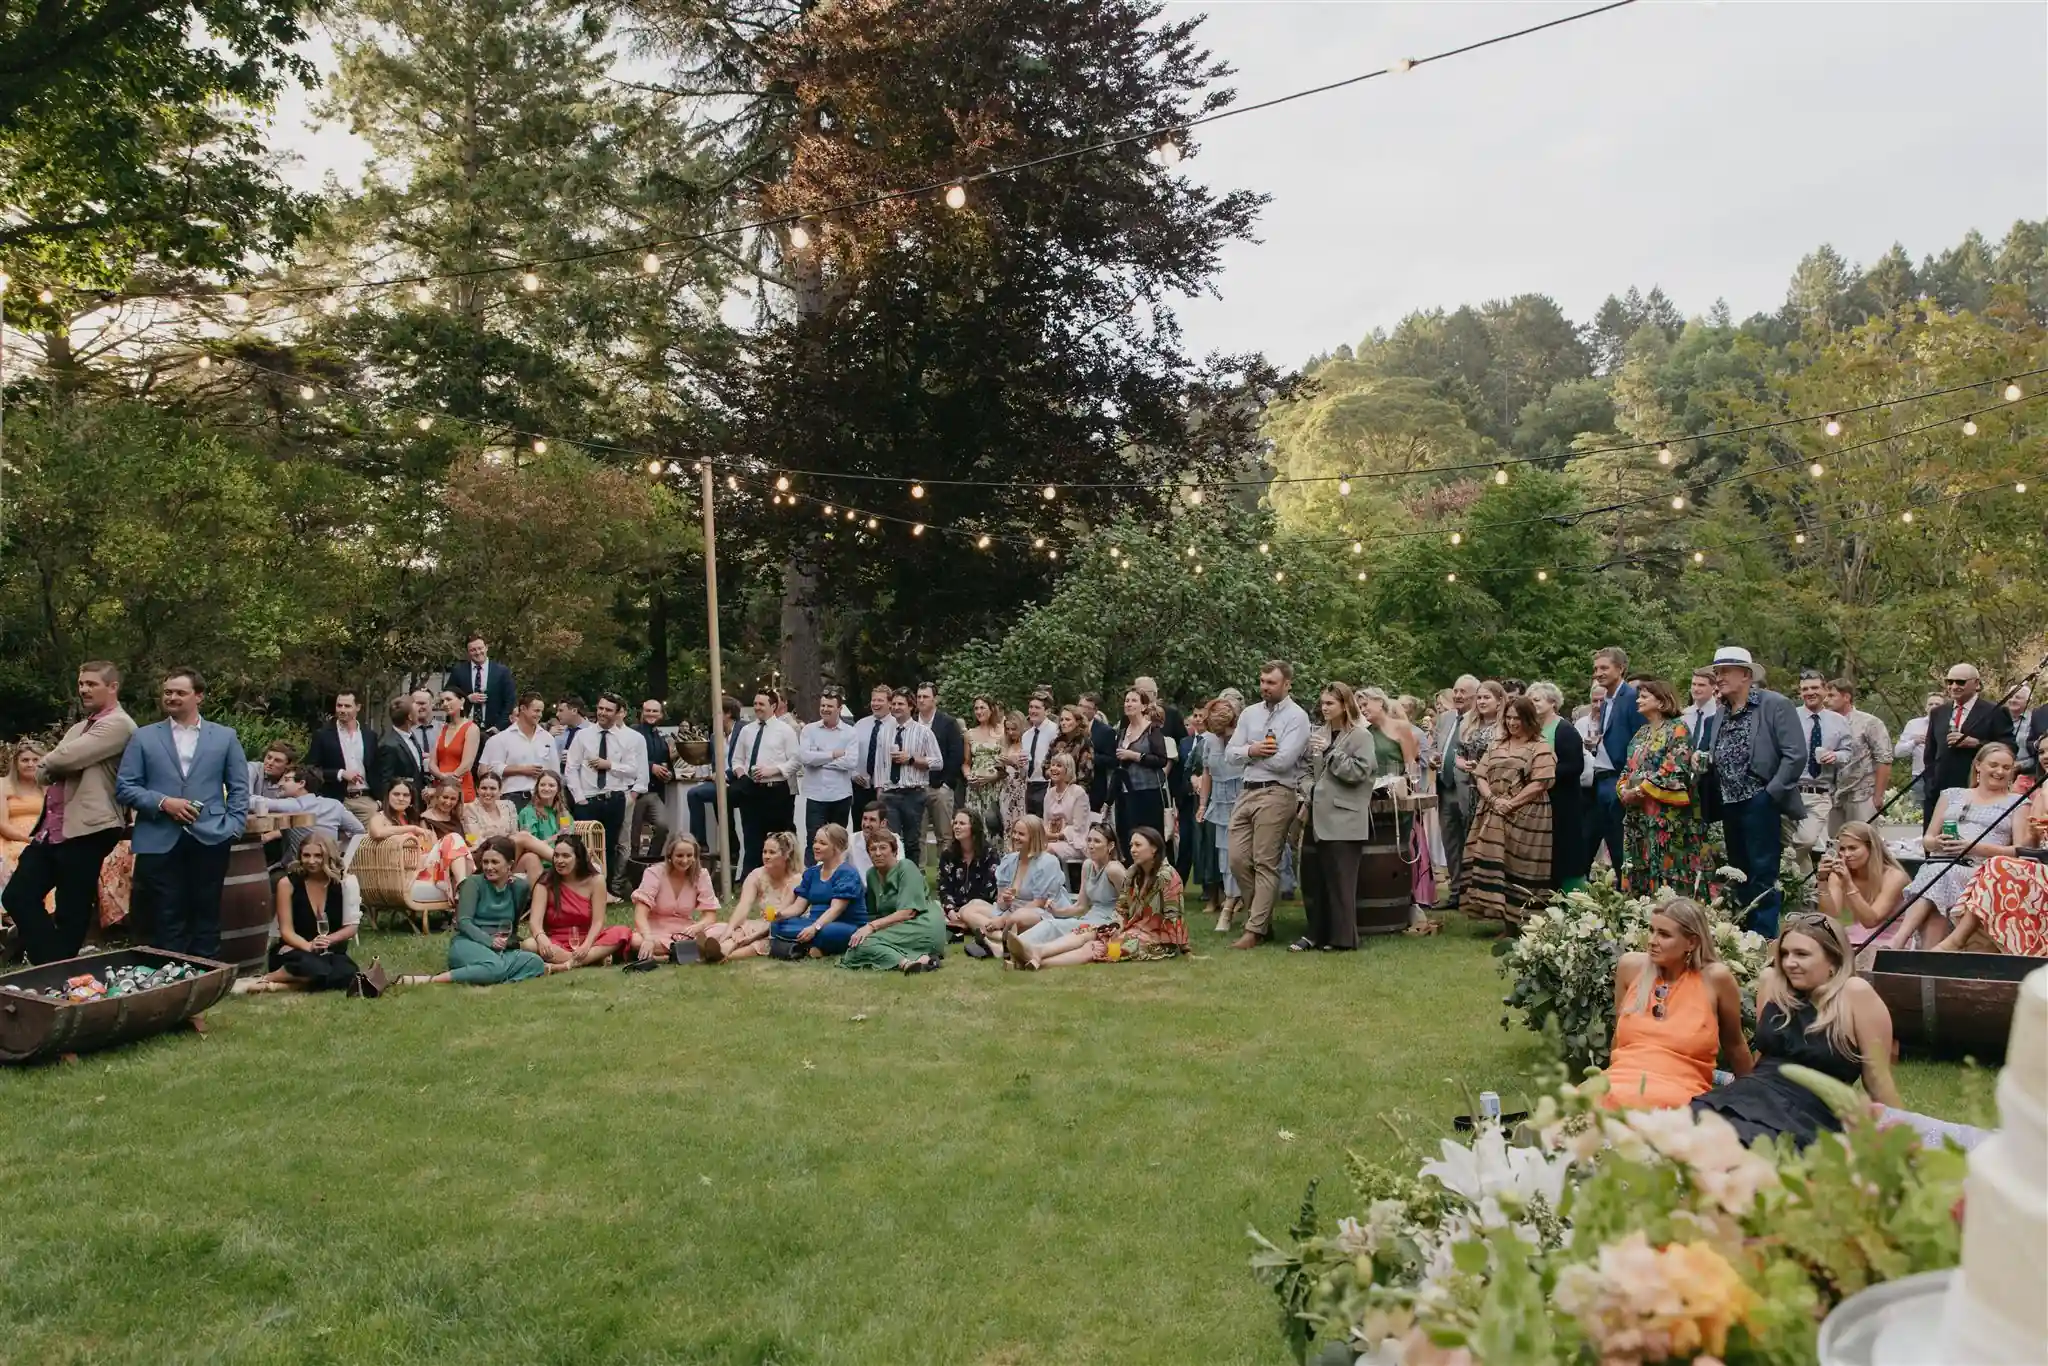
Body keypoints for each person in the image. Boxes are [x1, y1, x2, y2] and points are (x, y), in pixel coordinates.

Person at [1691, 914, 1902, 1148]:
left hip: (1807, 1114)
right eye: (1785, 953)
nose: (1789, 962)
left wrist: (1903, 1138)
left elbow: (1878, 1081)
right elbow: (1762, 1059)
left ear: (1834, 960)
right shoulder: (1772, 984)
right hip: (1751, 1095)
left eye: (1801, 954)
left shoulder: (1854, 994)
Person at [4, 662, 138, 964]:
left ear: (112, 686)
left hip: (89, 827)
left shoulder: (119, 724)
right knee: (17, 895)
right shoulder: (80, 727)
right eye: (81, 684)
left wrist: (55, 762)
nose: (84, 690)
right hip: (51, 829)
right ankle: (55, 966)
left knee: (71, 909)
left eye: (92, 684)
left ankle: (52, 973)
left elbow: (63, 758)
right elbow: (43, 771)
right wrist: (55, 762)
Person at [115, 667, 250, 959]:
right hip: (158, 837)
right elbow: (125, 787)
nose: (171, 697)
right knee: (165, 913)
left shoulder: (225, 737)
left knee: (207, 910)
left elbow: (239, 788)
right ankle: (169, 978)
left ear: (198, 696)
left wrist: (233, 827)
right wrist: (164, 802)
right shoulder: (144, 737)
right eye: (167, 692)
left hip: (211, 836)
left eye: (180, 692)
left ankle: (204, 976)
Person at [1599, 898, 1753, 1111]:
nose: (1652, 940)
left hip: (1679, 1091)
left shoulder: (1715, 980)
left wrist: (1756, 1099)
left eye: (1664, 934)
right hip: (1619, 1081)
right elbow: (1619, 1039)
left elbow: (1735, 1045)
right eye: (1651, 930)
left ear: (1692, 942)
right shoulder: (1631, 967)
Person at [1704, 646, 1809, 937]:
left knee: (1763, 871)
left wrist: (1770, 793)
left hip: (1759, 800)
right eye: (1717, 672)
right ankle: (1743, 933)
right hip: (1729, 803)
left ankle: (1763, 937)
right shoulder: (1721, 713)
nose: (1719, 677)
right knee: (1738, 872)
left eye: (1725, 671)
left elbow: (1795, 754)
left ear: (1746, 675)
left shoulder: (1773, 704)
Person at [1886, 743, 2022, 949]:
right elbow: (1928, 839)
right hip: (1943, 861)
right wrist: (1937, 842)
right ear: (1978, 765)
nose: (1999, 771)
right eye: (1993, 765)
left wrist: (1972, 847)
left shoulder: (2018, 802)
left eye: (2006, 767)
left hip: (1984, 873)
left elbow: (2019, 850)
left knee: (1938, 875)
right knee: (1938, 879)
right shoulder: (1952, 795)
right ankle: (1928, 961)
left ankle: (1899, 940)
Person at [1007, 826, 1185, 968]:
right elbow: (1122, 907)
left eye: (1138, 845)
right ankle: (1036, 954)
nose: (1132, 850)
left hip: (1158, 941)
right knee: (1091, 937)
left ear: (1154, 848)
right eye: (1131, 845)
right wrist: (1117, 926)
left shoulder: (1167, 876)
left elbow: (1174, 915)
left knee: (1098, 947)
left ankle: (1036, 959)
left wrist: (1184, 948)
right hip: (1130, 930)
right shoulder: (1133, 872)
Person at [1226, 660, 1310, 950]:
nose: (1264, 687)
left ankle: (1255, 929)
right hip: (1247, 791)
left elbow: (1285, 761)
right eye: (1262, 681)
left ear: (1287, 684)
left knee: (1265, 861)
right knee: (1237, 859)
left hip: (1277, 793)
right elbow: (1230, 753)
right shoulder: (1249, 713)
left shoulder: (1298, 717)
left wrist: (1249, 753)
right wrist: (1253, 749)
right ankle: (1259, 919)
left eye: (1271, 682)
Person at [398, 836, 554, 985]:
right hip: (469, 942)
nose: (489, 867)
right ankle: (433, 980)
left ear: (509, 865)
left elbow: (513, 925)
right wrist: (489, 941)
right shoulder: (473, 884)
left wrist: (506, 943)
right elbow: (464, 922)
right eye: (485, 862)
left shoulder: (519, 887)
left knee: (535, 963)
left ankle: (489, 973)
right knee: (495, 966)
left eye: (495, 862)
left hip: (501, 948)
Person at [234, 832, 371, 995]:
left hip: (330, 951)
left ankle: (281, 985)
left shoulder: (345, 883)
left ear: (328, 856)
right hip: (296, 949)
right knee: (312, 967)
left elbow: (351, 927)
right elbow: (286, 931)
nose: (311, 861)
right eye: (306, 855)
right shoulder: (287, 884)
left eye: (318, 856)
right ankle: (270, 977)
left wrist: (328, 940)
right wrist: (308, 946)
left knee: (347, 973)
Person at [1296, 682, 1377, 953]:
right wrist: (1310, 788)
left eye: (1330, 703)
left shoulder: (1361, 737)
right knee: (1313, 878)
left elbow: (1360, 773)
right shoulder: (1318, 733)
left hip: (1344, 818)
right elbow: (1306, 770)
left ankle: (1343, 938)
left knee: (1341, 882)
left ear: (1345, 704)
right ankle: (1314, 934)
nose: (1324, 707)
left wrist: (1332, 752)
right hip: (1316, 816)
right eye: (1322, 703)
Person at [1461, 694, 1555, 927]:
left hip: (1528, 814)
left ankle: (1523, 923)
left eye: (1518, 718)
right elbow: (1480, 775)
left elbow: (1541, 782)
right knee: (1493, 858)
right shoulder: (1497, 744)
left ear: (1529, 719)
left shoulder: (1540, 746)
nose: (1513, 723)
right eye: (1509, 718)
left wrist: (1511, 804)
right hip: (1494, 810)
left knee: (1521, 865)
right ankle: (1500, 917)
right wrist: (1493, 799)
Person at [1616, 678, 1708, 900]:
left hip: (1667, 818)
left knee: (1667, 871)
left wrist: (1639, 790)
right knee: (1638, 865)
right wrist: (1622, 789)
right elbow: (1628, 768)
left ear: (1661, 701)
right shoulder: (1641, 733)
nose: (1638, 700)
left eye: (1644, 696)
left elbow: (1675, 768)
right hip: (1638, 815)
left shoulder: (1678, 728)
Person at [1939, 780, 2048, 956]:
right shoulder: (2044, 790)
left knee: (1999, 865)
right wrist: (2035, 834)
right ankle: (1959, 941)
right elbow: (2031, 848)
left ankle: (1956, 941)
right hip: (2042, 864)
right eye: (2041, 751)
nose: (2044, 757)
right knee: (1996, 864)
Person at [953, 814, 1074, 950]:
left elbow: (1039, 903)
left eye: (1021, 834)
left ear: (1034, 838)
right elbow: (1001, 904)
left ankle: (994, 936)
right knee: (967, 909)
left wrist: (1003, 920)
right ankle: (1001, 939)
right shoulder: (1009, 860)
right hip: (1011, 910)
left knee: (1017, 918)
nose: (1015, 837)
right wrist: (1005, 901)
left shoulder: (1048, 862)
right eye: (1014, 832)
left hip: (1038, 912)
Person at [565, 693, 648, 886]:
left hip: (614, 798)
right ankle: (581, 886)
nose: (602, 712)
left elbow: (633, 770)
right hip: (587, 798)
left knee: (609, 846)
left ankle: (606, 888)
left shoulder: (625, 739)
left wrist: (610, 765)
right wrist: (579, 798)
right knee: (583, 845)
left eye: (608, 710)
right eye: (600, 708)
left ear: (618, 713)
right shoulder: (583, 736)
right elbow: (571, 768)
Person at [842, 827, 947, 973]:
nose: (877, 853)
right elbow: (874, 914)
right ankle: (922, 960)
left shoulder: (906, 867)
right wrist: (865, 929)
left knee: (865, 944)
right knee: (856, 945)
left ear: (894, 851)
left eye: (883, 848)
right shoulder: (871, 875)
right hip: (898, 927)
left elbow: (908, 912)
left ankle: (904, 962)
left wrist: (872, 927)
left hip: (923, 923)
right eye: (873, 849)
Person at [1782, 670, 1852, 876]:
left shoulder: (1839, 721)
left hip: (1819, 792)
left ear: (1825, 690)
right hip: (1789, 791)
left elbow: (1847, 752)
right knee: (1791, 843)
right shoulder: (1788, 717)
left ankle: (1782, 873)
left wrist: (1835, 756)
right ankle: (1806, 893)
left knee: (1806, 840)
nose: (1809, 692)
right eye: (1805, 689)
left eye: (1814, 688)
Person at [525, 833, 631, 968]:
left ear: (579, 859)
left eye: (566, 856)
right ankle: (592, 959)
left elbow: (598, 922)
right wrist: (541, 937)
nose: (559, 860)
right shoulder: (545, 882)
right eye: (556, 855)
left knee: (621, 932)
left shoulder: (596, 881)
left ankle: (564, 965)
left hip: (589, 940)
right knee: (529, 945)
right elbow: (535, 922)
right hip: (555, 942)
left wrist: (586, 946)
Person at [723, 689, 799, 878]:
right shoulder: (747, 731)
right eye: (755, 704)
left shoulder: (785, 731)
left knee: (781, 839)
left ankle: (785, 879)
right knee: (752, 839)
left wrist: (772, 770)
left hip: (776, 791)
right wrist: (742, 775)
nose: (757, 707)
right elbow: (737, 760)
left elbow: (796, 761)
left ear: (773, 706)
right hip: (751, 789)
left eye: (761, 704)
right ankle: (751, 880)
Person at [1922, 663, 2014, 817]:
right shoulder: (1939, 712)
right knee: (1933, 838)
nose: (1954, 686)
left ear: (1976, 683)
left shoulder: (1995, 712)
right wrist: (1930, 783)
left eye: (1960, 682)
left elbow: (2009, 747)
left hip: (1976, 789)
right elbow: (1930, 752)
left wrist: (1977, 743)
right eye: (1949, 682)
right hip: (1938, 792)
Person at [700, 831, 804, 963]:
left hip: (783, 927)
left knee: (759, 940)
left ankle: (721, 953)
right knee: (735, 930)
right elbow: (743, 906)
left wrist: (753, 936)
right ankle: (719, 949)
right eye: (764, 852)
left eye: (772, 853)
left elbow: (778, 918)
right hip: (761, 923)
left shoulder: (797, 880)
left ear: (786, 855)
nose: (766, 856)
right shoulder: (757, 875)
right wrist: (730, 929)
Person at [1527, 682, 1590, 894]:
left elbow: (1575, 766)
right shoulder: (1531, 730)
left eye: (1537, 700)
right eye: (1530, 700)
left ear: (1553, 703)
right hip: (1537, 800)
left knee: (1565, 849)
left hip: (1562, 801)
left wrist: (1544, 773)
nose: (1532, 704)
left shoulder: (1565, 730)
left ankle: (1572, 895)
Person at [769, 824, 868, 958]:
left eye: (822, 843)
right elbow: (798, 907)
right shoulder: (811, 873)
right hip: (814, 922)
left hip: (842, 925)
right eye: (815, 841)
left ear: (837, 848)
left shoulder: (848, 873)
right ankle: (810, 947)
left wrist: (814, 928)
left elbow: (836, 909)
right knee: (777, 925)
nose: (816, 846)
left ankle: (801, 945)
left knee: (827, 932)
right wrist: (779, 914)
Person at [1588, 647, 1645, 874]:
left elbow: (1640, 741)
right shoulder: (1607, 700)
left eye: (1604, 668)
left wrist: (1631, 783)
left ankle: (1628, 895)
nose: (1598, 673)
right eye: (1595, 669)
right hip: (1600, 778)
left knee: (1620, 845)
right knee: (1598, 840)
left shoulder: (1631, 698)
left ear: (1620, 669)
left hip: (1620, 779)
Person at [1817, 822, 1910, 951]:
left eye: (1853, 848)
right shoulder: (1839, 874)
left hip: (1889, 942)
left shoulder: (1894, 876)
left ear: (1871, 848)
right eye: (1842, 849)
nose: (1847, 854)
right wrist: (1822, 881)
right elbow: (1831, 917)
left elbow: (1871, 921)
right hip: (1852, 939)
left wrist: (1848, 884)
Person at [630, 832, 721, 961]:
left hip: (686, 931)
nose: (685, 861)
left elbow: (710, 916)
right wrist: (648, 937)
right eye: (679, 855)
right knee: (635, 940)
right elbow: (640, 914)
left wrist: (698, 927)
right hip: (656, 931)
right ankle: (688, 952)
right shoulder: (654, 873)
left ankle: (669, 955)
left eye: (689, 855)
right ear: (669, 856)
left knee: (722, 930)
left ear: (695, 856)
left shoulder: (701, 875)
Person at [1431, 675, 1479, 911]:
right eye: (1456, 691)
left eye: (1463, 692)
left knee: (1470, 840)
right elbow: (1435, 747)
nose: (1458, 696)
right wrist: (1433, 758)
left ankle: (1473, 894)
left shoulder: (1479, 720)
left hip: (1468, 787)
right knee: (1450, 841)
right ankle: (1455, 891)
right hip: (1444, 786)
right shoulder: (1446, 718)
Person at [1197, 695, 1244, 933]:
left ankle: (1242, 903)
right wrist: (1203, 805)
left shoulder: (1245, 737)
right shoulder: (1209, 742)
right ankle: (1228, 906)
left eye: (1223, 731)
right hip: (1220, 805)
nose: (1219, 737)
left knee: (1243, 857)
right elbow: (1207, 773)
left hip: (1244, 802)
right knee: (1225, 860)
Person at [265, 764, 367, 867]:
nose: (280, 784)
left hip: (301, 869)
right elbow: (359, 830)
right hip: (332, 866)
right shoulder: (334, 804)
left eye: (287, 780)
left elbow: (260, 802)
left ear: (301, 783)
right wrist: (336, 847)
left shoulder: (294, 804)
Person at [798, 686, 861, 854]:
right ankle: (813, 878)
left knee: (838, 843)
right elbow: (805, 758)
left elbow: (851, 762)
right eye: (823, 706)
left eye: (829, 706)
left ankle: (836, 876)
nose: (825, 709)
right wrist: (833, 754)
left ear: (839, 709)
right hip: (815, 796)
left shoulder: (850, 733)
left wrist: (819, 758)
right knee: (814, 841)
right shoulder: (809, 730)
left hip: (840, 796)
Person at [876, 688, 941, 848]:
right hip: (890, 793)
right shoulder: (884, 731)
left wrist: (911, 760)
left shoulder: (924, 732)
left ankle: (912, 872)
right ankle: (894, 872)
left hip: (913, 793)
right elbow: (879, 763)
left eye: (901, 704)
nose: (896, 707)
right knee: (892, 840)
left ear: (911, 707)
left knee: (913, 841)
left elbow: (938, 762)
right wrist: (879, 789)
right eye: (894, 704)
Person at [1111, 686, 1170, 862]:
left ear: (1143, 707)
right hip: (1125, 793)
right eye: (1127, 701)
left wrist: (1134, 756)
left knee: (1148, 838)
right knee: (1127, 836)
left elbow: (1161, 760)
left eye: (1133, 700)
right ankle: (1132, 880)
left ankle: (1156, 881)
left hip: (1148, 793)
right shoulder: (1121, 732)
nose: (1128, 704)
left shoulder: (1152, 730)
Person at [1825, 678, 1892, 830]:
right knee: (1836, 842)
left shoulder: (1869, 723)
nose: (1826, 700)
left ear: (1846, 697)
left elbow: (1884, 759)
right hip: (1832, 795)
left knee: (1865, 840)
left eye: (1831, 696)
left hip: (1862, 793)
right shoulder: (1824, 723)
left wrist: (1878, 796)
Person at [479, 693, 560, 810]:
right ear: (523, 709)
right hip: (512, 797)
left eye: (541, 711)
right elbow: (493, 768)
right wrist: (522, 770)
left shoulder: (547, 738)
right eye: (536, 711)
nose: (539, 715)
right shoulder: (502, 738)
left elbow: (555, 771)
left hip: (542, 797)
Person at [306, 689, 378, 821]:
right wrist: (340, 773)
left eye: (347, 706)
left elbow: (377, 768)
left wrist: (379, 800)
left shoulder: (369, 736)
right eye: (339, 705)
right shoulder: (322, 735)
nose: (342, 710)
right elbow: (311, 769)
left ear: (358, 707)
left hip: (365, 800)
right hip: (335, 799)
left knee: (370, 840)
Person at [916, 682, 964, 860]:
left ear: (935, 699)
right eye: (919, 696)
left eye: (925, 697)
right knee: (917, 836)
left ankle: (945, 874)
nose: (921, 700)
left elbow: (956, 754)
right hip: (916, 787)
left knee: (945, 836)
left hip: (940, 789)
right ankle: (917, 877)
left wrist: (946, 784)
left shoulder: (948, 723)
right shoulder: (911, 723)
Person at [408, 779, 475, 906]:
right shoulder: (425, 819)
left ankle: (461, 905)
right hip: (436, 862)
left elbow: (468, 842)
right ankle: (462, 884)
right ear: (437, 796)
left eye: (453, 799)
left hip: (459, 861)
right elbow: (428, 850)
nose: (448, 802)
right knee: (453, 837)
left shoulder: (456, 818)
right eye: (445, 797)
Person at [937, 808, 999, 928]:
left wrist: (964, 911)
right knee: (932, 908)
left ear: (974, 828)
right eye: (955, 823)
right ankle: (962, 923)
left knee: (975, 911)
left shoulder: (989, 854)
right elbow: (943, 887)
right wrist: (950, 911)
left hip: (978, 907)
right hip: (954, 910)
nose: (957, 827)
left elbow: (989, 890)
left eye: (962, 823)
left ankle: (968, 922)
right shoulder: (948, 855)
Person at [513, 771, 576, 880]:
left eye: (551, 785)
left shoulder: (563, 813)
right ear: (537, 788)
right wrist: (555, 837)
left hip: (561, 855)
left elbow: (569, 839)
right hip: (538, 859)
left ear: (558, 790)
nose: (546, 788)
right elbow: (528, 847)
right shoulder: (528, 813)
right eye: (542, 785)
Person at [449, 632, 514, 734]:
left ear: (486, 648)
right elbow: (448, 696)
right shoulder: (459, 671)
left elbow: (510, 701)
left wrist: (499, 727)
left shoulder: (502, 672)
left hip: (493, 730)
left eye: (480, 648)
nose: (478, 652)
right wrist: (467, 698)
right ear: (468, 652)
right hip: (464, 729)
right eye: (473, 650)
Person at [961, 696, 1008, 833]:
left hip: (996, 786)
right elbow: (966, 763)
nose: (979, 711)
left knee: (995, 826)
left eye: (982, 707)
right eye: (976, 708)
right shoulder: (970, 734)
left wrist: (993, 777)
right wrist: (968, 776)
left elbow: (1007, 764)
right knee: (975, 827)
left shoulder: (1002, 732)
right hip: (976, 789)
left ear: (991, 709)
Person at [0, 742, 47, 875]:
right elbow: (2, 823)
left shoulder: (50, 786)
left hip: (44, 839)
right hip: (11, 839)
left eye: (35, 760)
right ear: (16, 763)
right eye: (25, 760)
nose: (30, 764)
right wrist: (28, 839)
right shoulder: (3, 785)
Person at [431, 687, 481, 801]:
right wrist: (441, 777)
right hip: (440, 787)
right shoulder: (442, 728)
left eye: (449, 699)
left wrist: (450, 779)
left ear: (462, 701)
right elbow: (432, 763)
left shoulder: (471, 728)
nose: (445, 704)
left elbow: (467, 764)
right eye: (442, 701)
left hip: (461, 787)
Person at [1041, 752, 1092, 862]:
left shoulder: (1078, 793)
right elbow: (1045, 822)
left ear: (1068, 770)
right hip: (1051, 840)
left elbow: (1079, 827)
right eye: (1053, 765)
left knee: (1045, 849)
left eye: (1059, 766)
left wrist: (1057, 836)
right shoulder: (1049, 793)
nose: (1054, 768)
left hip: (1074, 843)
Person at [1019, 693, 1059, 817]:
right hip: (1029, 784)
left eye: (1037, 707)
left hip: (1046, 784)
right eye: (1031, 707)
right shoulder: (1026, 735)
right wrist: (1020, 764)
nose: (1032, 711)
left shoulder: (1055, 731)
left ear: (1046, 711)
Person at [376, 697, 424, 794]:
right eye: (417, 712)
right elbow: (386, 781)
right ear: (410, 717)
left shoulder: (411, 736)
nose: (420, 713)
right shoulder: (389, 745)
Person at [846, 801, 904, 879]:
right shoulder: (851, 840)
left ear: (883, 823)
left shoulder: (894, 840)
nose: (866, 824)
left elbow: (899, 870)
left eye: (872, 820)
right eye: (865, 819)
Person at [1081, 691, 1118, 812]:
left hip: (1094, 788)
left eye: (1087, 707)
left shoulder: (1105, 732)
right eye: (1080, 706)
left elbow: (1112, 760)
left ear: (1095, 710)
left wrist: (1092, 757)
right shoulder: (1069, 727)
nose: (1082, 710)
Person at [460, 771, 519, 842]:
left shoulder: (509, 806)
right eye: (484, 788)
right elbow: (473, 839)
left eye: (493, 788)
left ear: (500, 791)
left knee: (525, 840)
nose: (488, 792)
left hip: (510, 847)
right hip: (483, 849)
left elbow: (515, 834)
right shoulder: (469, 809)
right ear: (477, 790)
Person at [997, 710, 1030, 834]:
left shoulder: (1026, 744)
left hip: (1022, 791)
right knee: (1007, 826)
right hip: (1006, 790)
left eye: (1014, 729)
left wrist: (1014, 763)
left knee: (1022, 825)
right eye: (1008, 729)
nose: (1010, 733)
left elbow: (1027, 771)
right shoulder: (1006, 745)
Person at [1679, 669, 1721, 752]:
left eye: (1701, 685)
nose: (1695, 689)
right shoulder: (1684, 715)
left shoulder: (1720, 714)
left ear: (1713, 687)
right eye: (1693, 684)